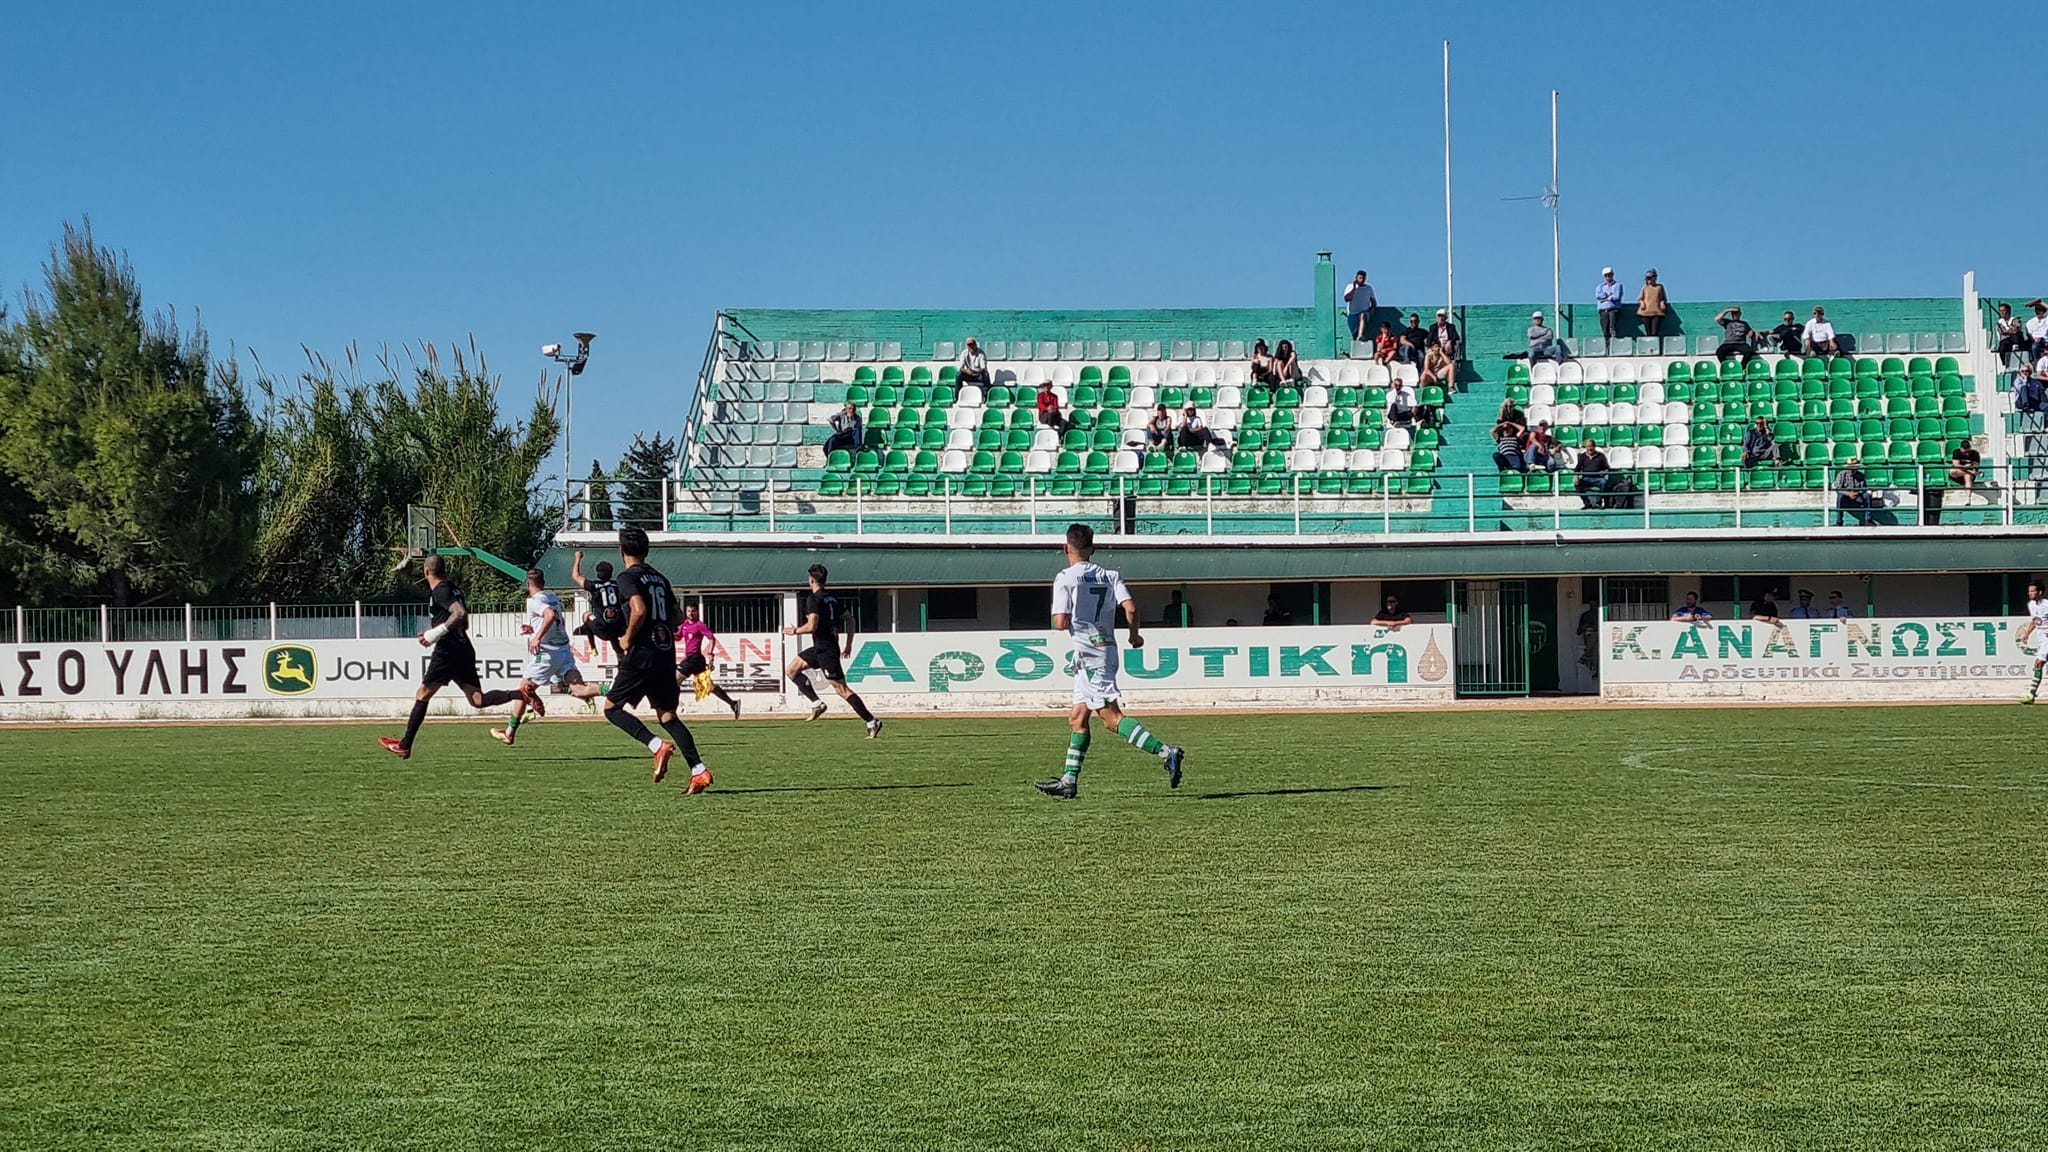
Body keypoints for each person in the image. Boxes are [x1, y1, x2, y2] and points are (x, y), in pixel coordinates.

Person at [1035, 523, 1186, 800]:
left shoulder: (1065, 578)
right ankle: (1069, 780)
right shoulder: (1110, 575)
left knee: (1111, 718)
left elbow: (1060, 622)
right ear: (1092, 548)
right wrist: (1134, 636)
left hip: (1090, 657)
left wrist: (1069, 616)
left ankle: (1167, 752)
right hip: (1102, 651)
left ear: (1065, 548)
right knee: (1077, 718)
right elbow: (1131, 608)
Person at [591, 527, 712, 789]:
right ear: (647, 551)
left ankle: (656, 745)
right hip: (664, 654)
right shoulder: (660, 579)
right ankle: (698, 769)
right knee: (668, 717)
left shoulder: (626, 577)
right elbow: (678, 618)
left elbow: (639, 609)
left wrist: (627, 638)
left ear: (621, 551)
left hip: (642, 654)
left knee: (611, 709)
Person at [378, 555, 533, 759]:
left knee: (423, 694)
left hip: (448, 651)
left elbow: (459, 613)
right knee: (477, 700)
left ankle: (405, 745)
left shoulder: (440, 590)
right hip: (463, 647)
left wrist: (435, 633)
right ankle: (519, 695)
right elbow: (464, 619)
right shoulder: (453, 588)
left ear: (425, 572)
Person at [490, 568, 602, 747]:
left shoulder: (534, 601)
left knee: (523, 688)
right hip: (564, 649)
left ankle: (510, 731)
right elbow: (552, 618)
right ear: (543, 582)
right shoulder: (552, 596)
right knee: (579, 689)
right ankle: (611, 688)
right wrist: (533, 628)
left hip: (548, 653)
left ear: (528, 584)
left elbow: (549, 614)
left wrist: (537, 637)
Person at [783, 564, 882, 737]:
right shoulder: (832, 598)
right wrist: (849, 643)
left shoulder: (814, 599)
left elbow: (812, 626)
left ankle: (872, 721)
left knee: (842, 689)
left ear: (811, 580)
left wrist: (795, 631)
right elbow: (850, 619)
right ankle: (816, 703)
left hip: (826, 650)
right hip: (820, 647)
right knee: (791, 670)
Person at [674, 601, 742, 720]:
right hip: (694, 660)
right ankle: (733, 703)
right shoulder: (684, 624)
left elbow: (711, 638)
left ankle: (671, 712)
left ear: (697, 612)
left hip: (694, 658)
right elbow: (678, 636)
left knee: (674, 681)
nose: (691, 613)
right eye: (689, 611)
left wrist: (710, 653)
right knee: (708, 686)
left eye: (693, 611)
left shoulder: (700, 625)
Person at [571, 552, 626, 663]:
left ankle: (592, 647)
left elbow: (575, 576)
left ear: (598, 573)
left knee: (587, 615)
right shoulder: (618, 585)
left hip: (602, 628)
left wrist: (577, 558)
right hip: (620, 627)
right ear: (611, 573)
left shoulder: (594, 585)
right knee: (614, 636)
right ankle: (621, 658)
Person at [2019, 580, 2048, 704]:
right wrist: (2027, 633)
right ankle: (2031, 694)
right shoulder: (2031, 604)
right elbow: (2035, 621)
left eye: (2032, 591)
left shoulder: (2046, 605)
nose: (2029, 593)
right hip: (2041, 639)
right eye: (2029, 591)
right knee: (2038, 664)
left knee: (2038, 663)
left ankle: (2031, 694)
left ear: (2040, 592)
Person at [1835, 457, 1875, 526]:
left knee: (1867, 496)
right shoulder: (1841, 474)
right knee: (1840, 497)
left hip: (1857, 497)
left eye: (1853, 468)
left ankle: (1868, 520)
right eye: (1849, 468)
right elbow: (1838, 489)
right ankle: (1839, 521)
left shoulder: (1861, 476)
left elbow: (1863, 489)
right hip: (1846, 498)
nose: (1851, 470)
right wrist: (1848, 493)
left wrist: (1857, 493)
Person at [1574, 439, 1613, 507]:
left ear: (1594, 446)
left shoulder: (1601, 456)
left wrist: (1604, 472)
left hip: (1597, 478)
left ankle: (1598, 502)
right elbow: (1577, 468)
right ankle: (1587, 503)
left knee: (1604, 482)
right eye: (1587, 447)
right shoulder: (1582, 456)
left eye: (1591, 446)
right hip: (1586, 478)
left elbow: (1607, 468)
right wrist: (1576, 476)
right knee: (1577, 484)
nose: (1589, 448)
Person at [1344, 270, 1377, 342]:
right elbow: (1347, 299)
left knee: (1362, 315)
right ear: (1356, 278)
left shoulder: (1368, 288)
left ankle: (1360, 336)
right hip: (1352, 314)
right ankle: (1357, 338)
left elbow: (1373, 301)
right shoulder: (1350, 286)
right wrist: (1354, 288)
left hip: (1364, 312)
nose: (1362, 280)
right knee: (1354, 332)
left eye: (1363, 278)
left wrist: (1372, 310)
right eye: (1360, 278)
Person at [1637, 270, 1669, 338]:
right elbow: (1640, 298)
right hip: (1645, 312)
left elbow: (1663, 298)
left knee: (1655, 332)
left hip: (1657, 312)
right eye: (1647, 278)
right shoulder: (1645, 288)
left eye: (1650, 278)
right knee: (1648, 333)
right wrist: (1642, 303)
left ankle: (1656, 346)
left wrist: (1662, 302)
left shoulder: (1659, 287)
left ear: (1655, 278)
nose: (1649, 280)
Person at [1595, 267, 1624, 339]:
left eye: (1609, 275)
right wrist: (1608, 295)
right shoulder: (1600, 286)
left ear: (1612, 274)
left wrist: (1605, 299)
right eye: (1606, 275)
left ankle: (1613, 341)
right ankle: (1607, 344)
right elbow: (1598, 296)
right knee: (1605, 330)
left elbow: (1616, 296)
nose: (1608, 277)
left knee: (1612, 328)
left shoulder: (1618, 285)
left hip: (1613, 309)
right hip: (1603, 310)